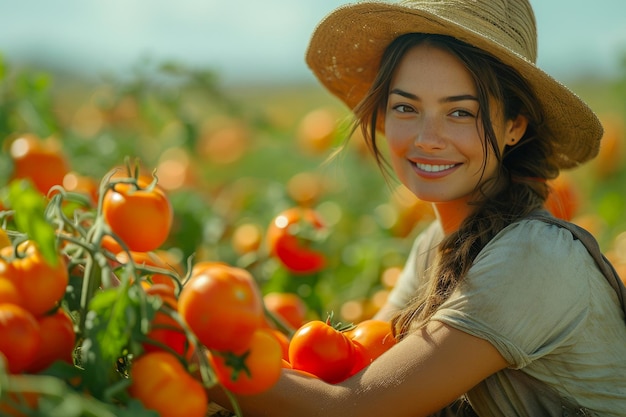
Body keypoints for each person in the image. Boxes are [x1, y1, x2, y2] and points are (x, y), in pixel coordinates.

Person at [209, 0, 626, 415]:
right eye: (406, 107)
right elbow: (358, 364)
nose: (427, 138)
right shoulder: (437, 245)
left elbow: (350, 410)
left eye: (460, 112)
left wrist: (195, 360)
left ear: (513, 126)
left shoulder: (531, 257)